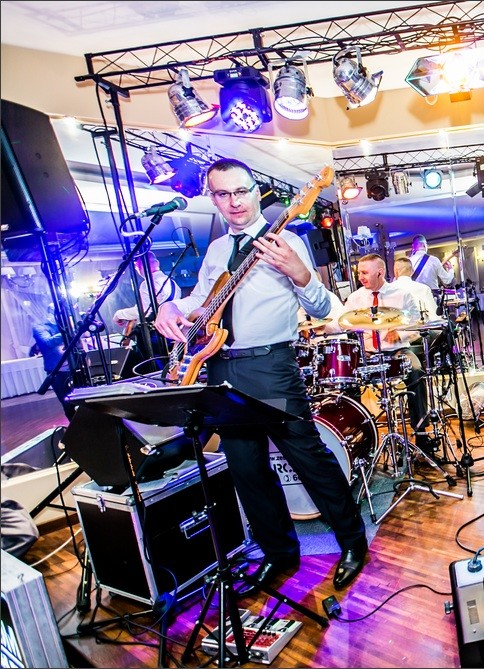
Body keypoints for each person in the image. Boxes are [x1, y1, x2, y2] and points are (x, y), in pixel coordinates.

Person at [154, 158, 368, 592]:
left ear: (256, 192)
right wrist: (171, 306)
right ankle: (280, 553)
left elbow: (323, 308)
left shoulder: (287, 240)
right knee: (247, 470)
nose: (234, 202)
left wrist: (300, 273)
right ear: (213, 199)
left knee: (310, 460)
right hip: (220, 368)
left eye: (241, 191)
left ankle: (352, 542)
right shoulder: (217, 250)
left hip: (271, 367)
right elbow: (202, 301)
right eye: (223, 194)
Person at [329, 255, 437, 457]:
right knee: (348, 380)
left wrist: (401, 334)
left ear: (379, 272)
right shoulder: (355, 298)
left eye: (364, 272)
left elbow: (417, 323)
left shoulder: (402, 294)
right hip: (368, 354)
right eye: (359, 273)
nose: (360, 277)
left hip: (397, 351)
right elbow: (340, 323)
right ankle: (359, 437)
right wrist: (320, 327)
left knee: (416, 371)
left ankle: (421, 433)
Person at [113, 252, 181, 361]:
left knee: (151, 364)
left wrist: (119, 314)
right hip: (171, 331)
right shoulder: (173, 283)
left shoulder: (147, 284)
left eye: (138, 266)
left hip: (154, 335)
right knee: (169, 362)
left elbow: (143, 311)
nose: (138, 269)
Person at [32, 306, 75, 420]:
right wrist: (67, 331)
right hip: (58, 372)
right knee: (68, 403)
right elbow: (47, 342)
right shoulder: (40, 327)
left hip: (75, 367)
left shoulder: (67, 324)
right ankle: (75, 426)